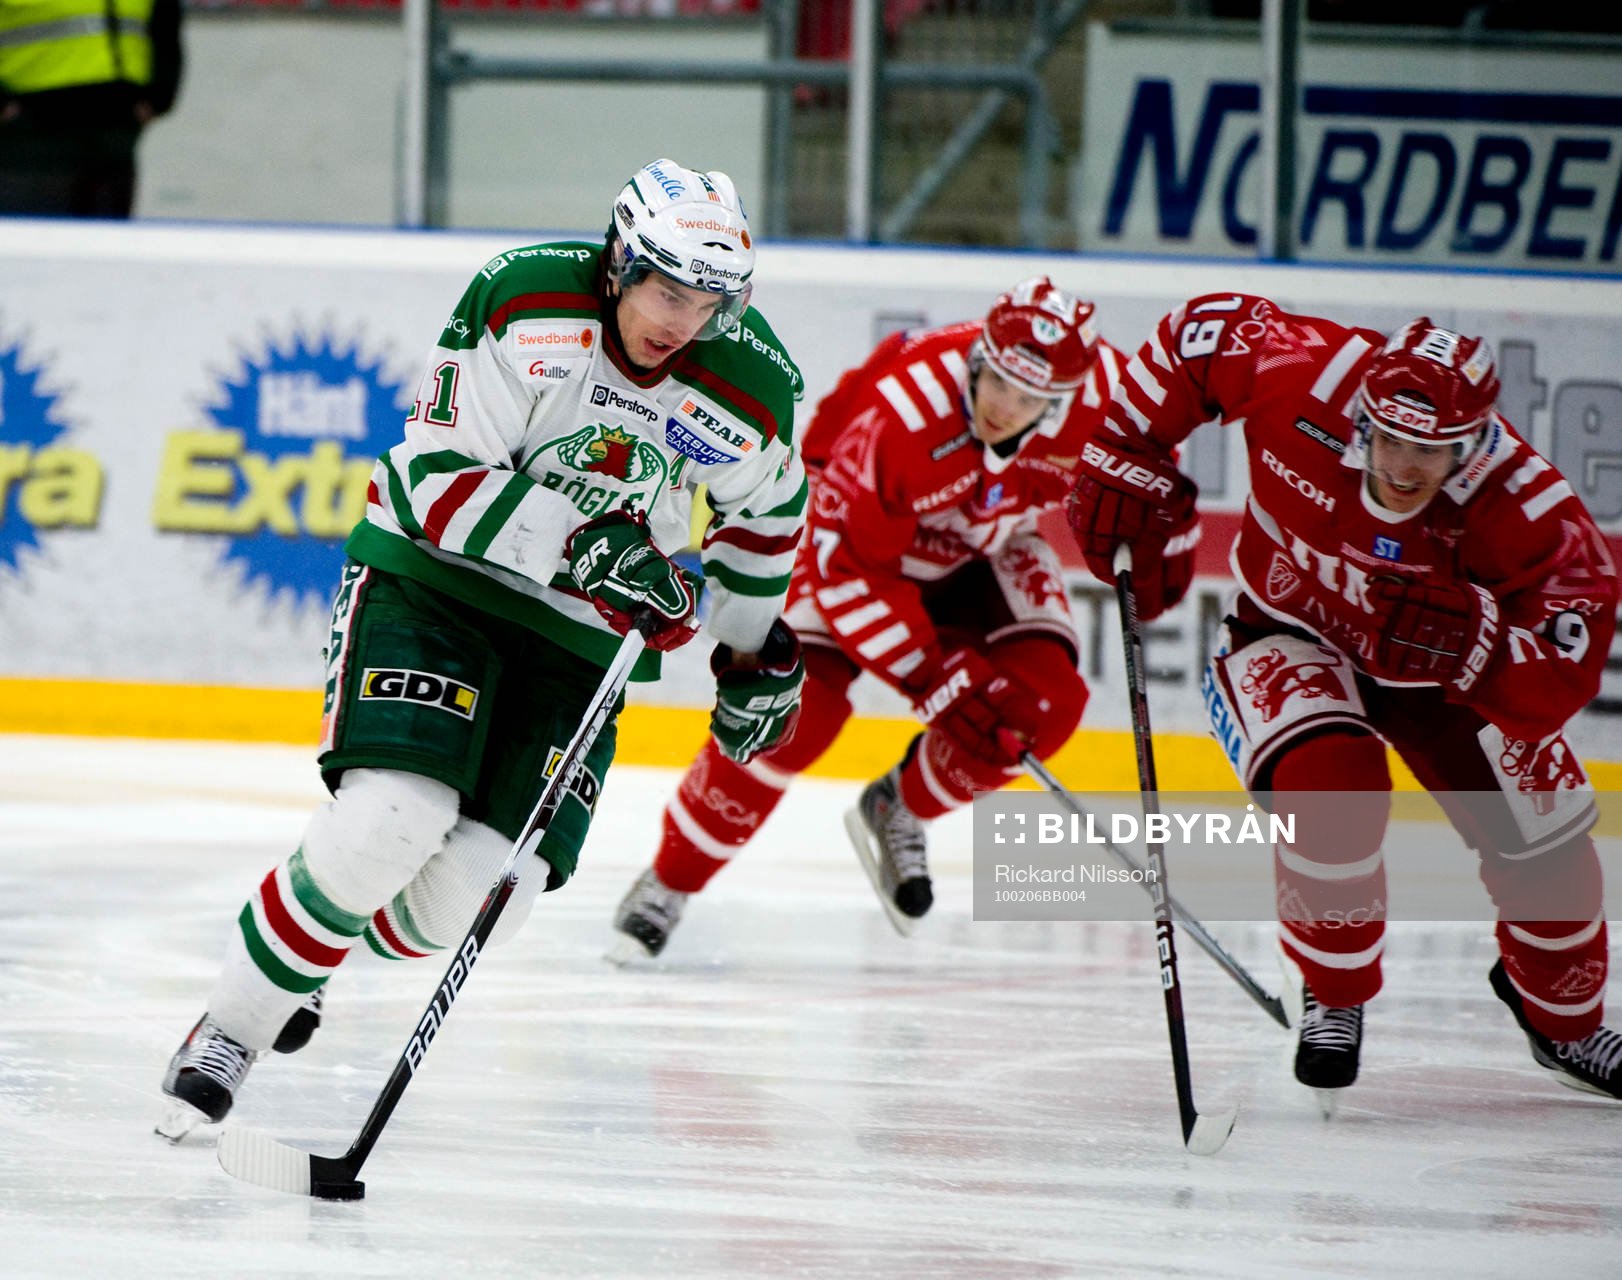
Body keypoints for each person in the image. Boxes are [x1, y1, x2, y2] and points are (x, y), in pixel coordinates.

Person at [156, 159, 809, 1139]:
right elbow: (431, 480)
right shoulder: (526, 301)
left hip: (578, 641)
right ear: (620, 264)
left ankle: (310, 950)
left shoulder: (751, 383)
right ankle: (232, 1029)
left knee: (483, 895)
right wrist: (585, 544)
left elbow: (769, 518)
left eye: (708, 301)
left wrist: (752, 656)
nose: (682, 319)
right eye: (667, 289)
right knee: (390, 815)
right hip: (437, 583)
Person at [1066, 292, 1621, 1103]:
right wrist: (1127, 442)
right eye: (1390, 438)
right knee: (1333, 792)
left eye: (1431, 451)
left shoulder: (1528, 512)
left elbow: (1564, 676)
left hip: (1440, 675)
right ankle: (1333, 990)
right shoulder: (1302, 373)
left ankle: (1564, 1024)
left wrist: (1476, 643)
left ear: (1474, 443)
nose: (1403, 467)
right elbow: (1199, 331)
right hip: (1287, 626)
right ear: (1361, 415)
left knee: (1548, 842)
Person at [610, 277, 1121, 957]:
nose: (1003, 408)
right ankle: (671, 879)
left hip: (986, 543)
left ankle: (899, 808)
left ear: (1059, 401)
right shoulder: (907, 414)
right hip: (850, 546)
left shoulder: (1106, 393)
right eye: (995, 382)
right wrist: (932, 675)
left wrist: (1153, 521)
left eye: (1028, 399)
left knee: (1041, 704)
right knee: (793, 714)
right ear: (978, 358)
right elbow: (845, 565)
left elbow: (1152, 452)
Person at [0, 0, 182, 217]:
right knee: (29, 238)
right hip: (30, 130)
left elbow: (164, 25)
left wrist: (159, 96)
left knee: (106, 242)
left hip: (115, 125)